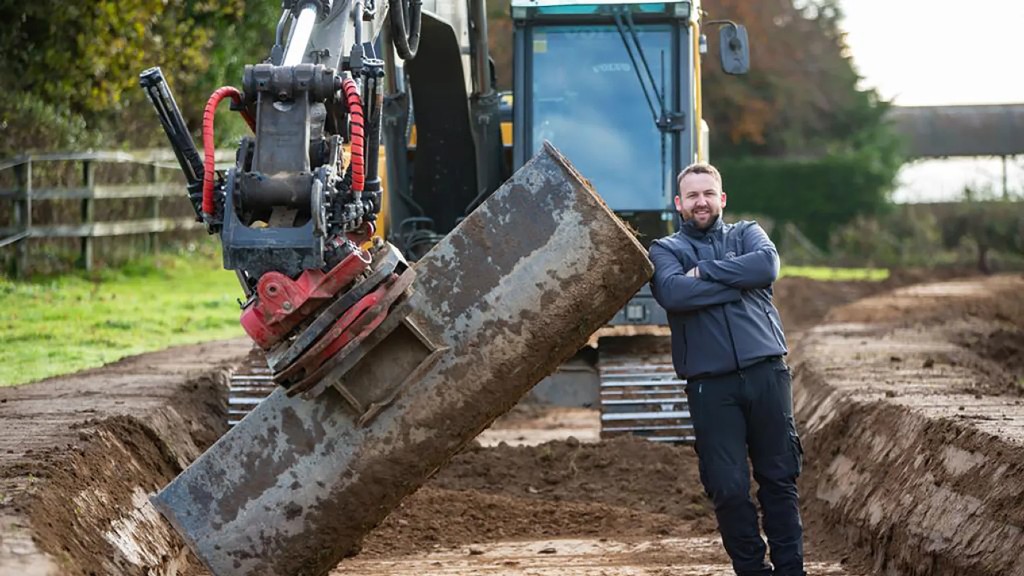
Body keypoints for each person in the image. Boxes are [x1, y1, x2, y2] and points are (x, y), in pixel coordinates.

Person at [648, 162, 805, 576]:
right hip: (710, 388)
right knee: (729, 488)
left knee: (779, 479)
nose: (701, 202)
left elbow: (767, 267)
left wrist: (708, 274)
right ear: (679, 204)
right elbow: (674, 292)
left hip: (767, 374)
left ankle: (791, 570)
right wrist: (736, 283)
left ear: (722, 198)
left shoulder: (747, 233)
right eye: (693, 196)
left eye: (708, 193)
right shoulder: (666, 250)